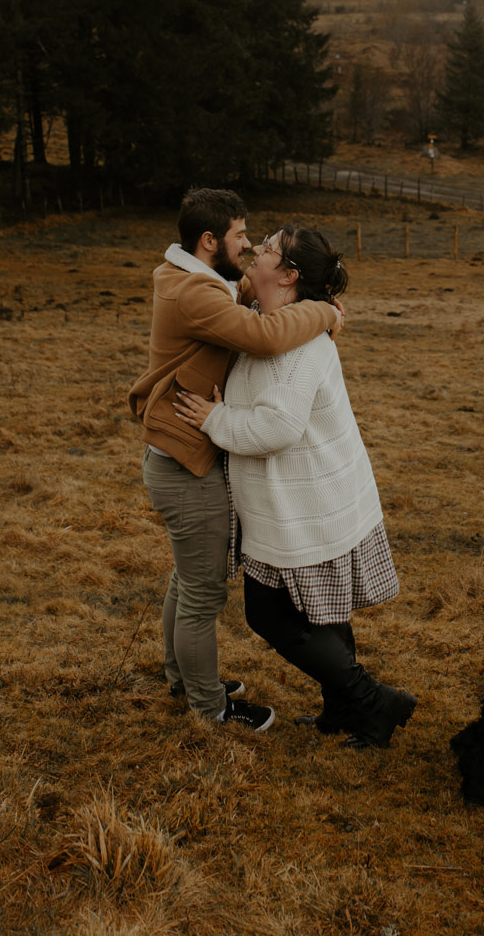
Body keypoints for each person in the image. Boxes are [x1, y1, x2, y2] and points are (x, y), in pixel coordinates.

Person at [175, 223, 415, 748]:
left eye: (267, 249)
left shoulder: (301, 346)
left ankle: (371, 701)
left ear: (288, 275)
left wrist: (217, 419)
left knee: (269, 614)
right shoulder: (269, 321)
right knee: (317, 611)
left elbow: (278, 427)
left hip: (311, 502)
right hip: (287, 504)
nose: (256, 251)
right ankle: (345, 709)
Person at [128, 189, 342, 732]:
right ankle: (210, 708)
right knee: (203, 592)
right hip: (184, 465)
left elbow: (247, 292)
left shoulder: (201, 281)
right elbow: (263, 335)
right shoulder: (196, 295)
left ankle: (184, 679)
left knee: (188, 579)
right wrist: (322, 312)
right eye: (240, 237)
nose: (248, 247)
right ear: (209, 241)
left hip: (177, 457)